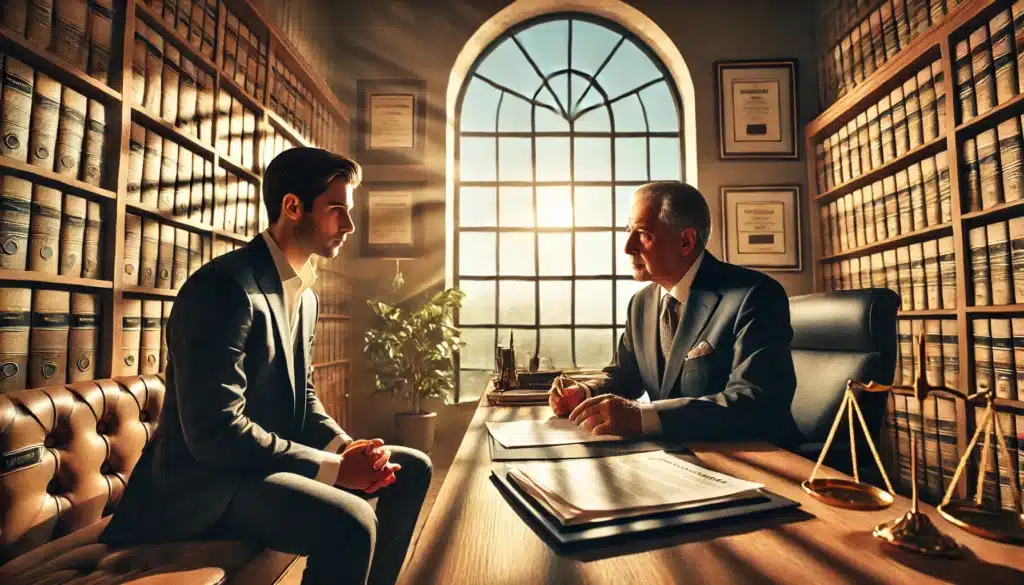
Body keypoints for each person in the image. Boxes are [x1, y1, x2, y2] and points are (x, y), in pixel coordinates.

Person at [101, 148, 431, 585]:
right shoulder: (223, 288)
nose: (349, 226)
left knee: (412, 469)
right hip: (201, 489)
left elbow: (303, 397)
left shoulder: (306, 295)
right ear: (293, 207)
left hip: (256, 467)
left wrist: (347, 450)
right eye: (337, 210)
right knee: (349, 522)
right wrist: (334, 470)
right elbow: (216, 435)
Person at [550, 181, 802, 447]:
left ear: (685, 241)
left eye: (643, 234)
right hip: (678, 454)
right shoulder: (641, 303)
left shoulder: (756, 295)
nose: (627, 246)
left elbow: (756, 402)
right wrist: (585, 392)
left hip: (757, 457)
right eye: (628, 231)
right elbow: (625, 376)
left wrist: (641, 417)